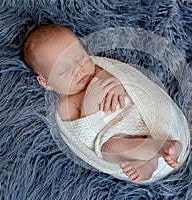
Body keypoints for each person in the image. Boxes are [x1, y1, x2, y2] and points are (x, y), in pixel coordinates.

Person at [22, 24, 183, 183]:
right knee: (108, 150)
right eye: (63, 71)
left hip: (136, 115)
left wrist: (118, 85)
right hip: (115, 136)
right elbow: (85, 136)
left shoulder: (97, 69)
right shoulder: (66, 104)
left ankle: (163, 146)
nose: (78, 69)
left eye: (80, 57)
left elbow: (123, 77)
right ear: (46, 83)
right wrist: (89, 105)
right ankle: (153, 157)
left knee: (154, 117)